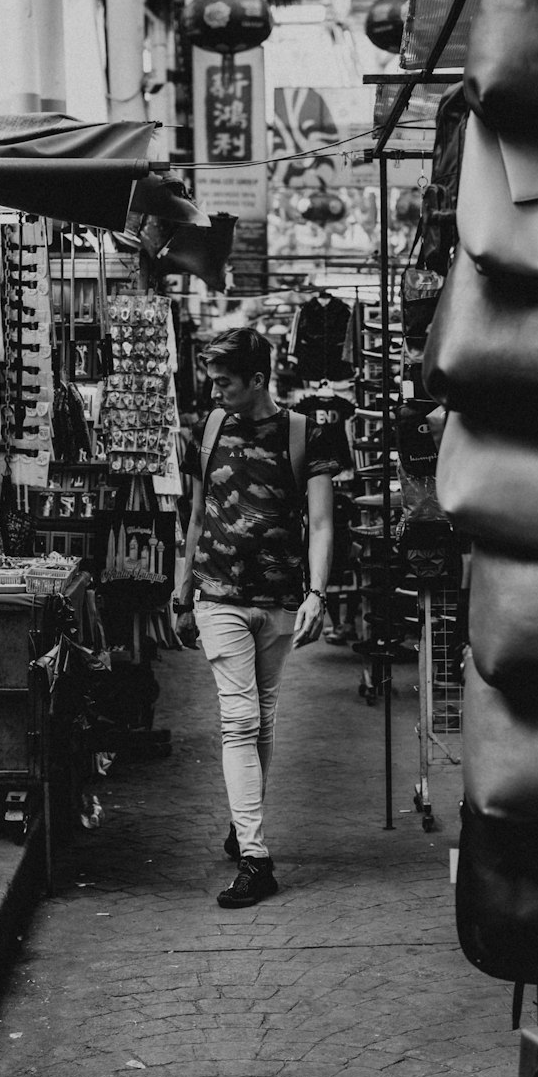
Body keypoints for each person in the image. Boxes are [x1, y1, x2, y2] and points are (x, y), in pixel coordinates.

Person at [174, 327, 338, 908]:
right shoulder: (210, 429)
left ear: (259, 380)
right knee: (239, 720)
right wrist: (180, 592)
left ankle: (245, 822)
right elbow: (195, 517)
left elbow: (321, 524)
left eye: (225, 383)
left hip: (280, 601)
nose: (215, 392)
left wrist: (318, 592)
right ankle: (255, 857)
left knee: (262, 719)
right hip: (217, 596)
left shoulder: (305, 433)